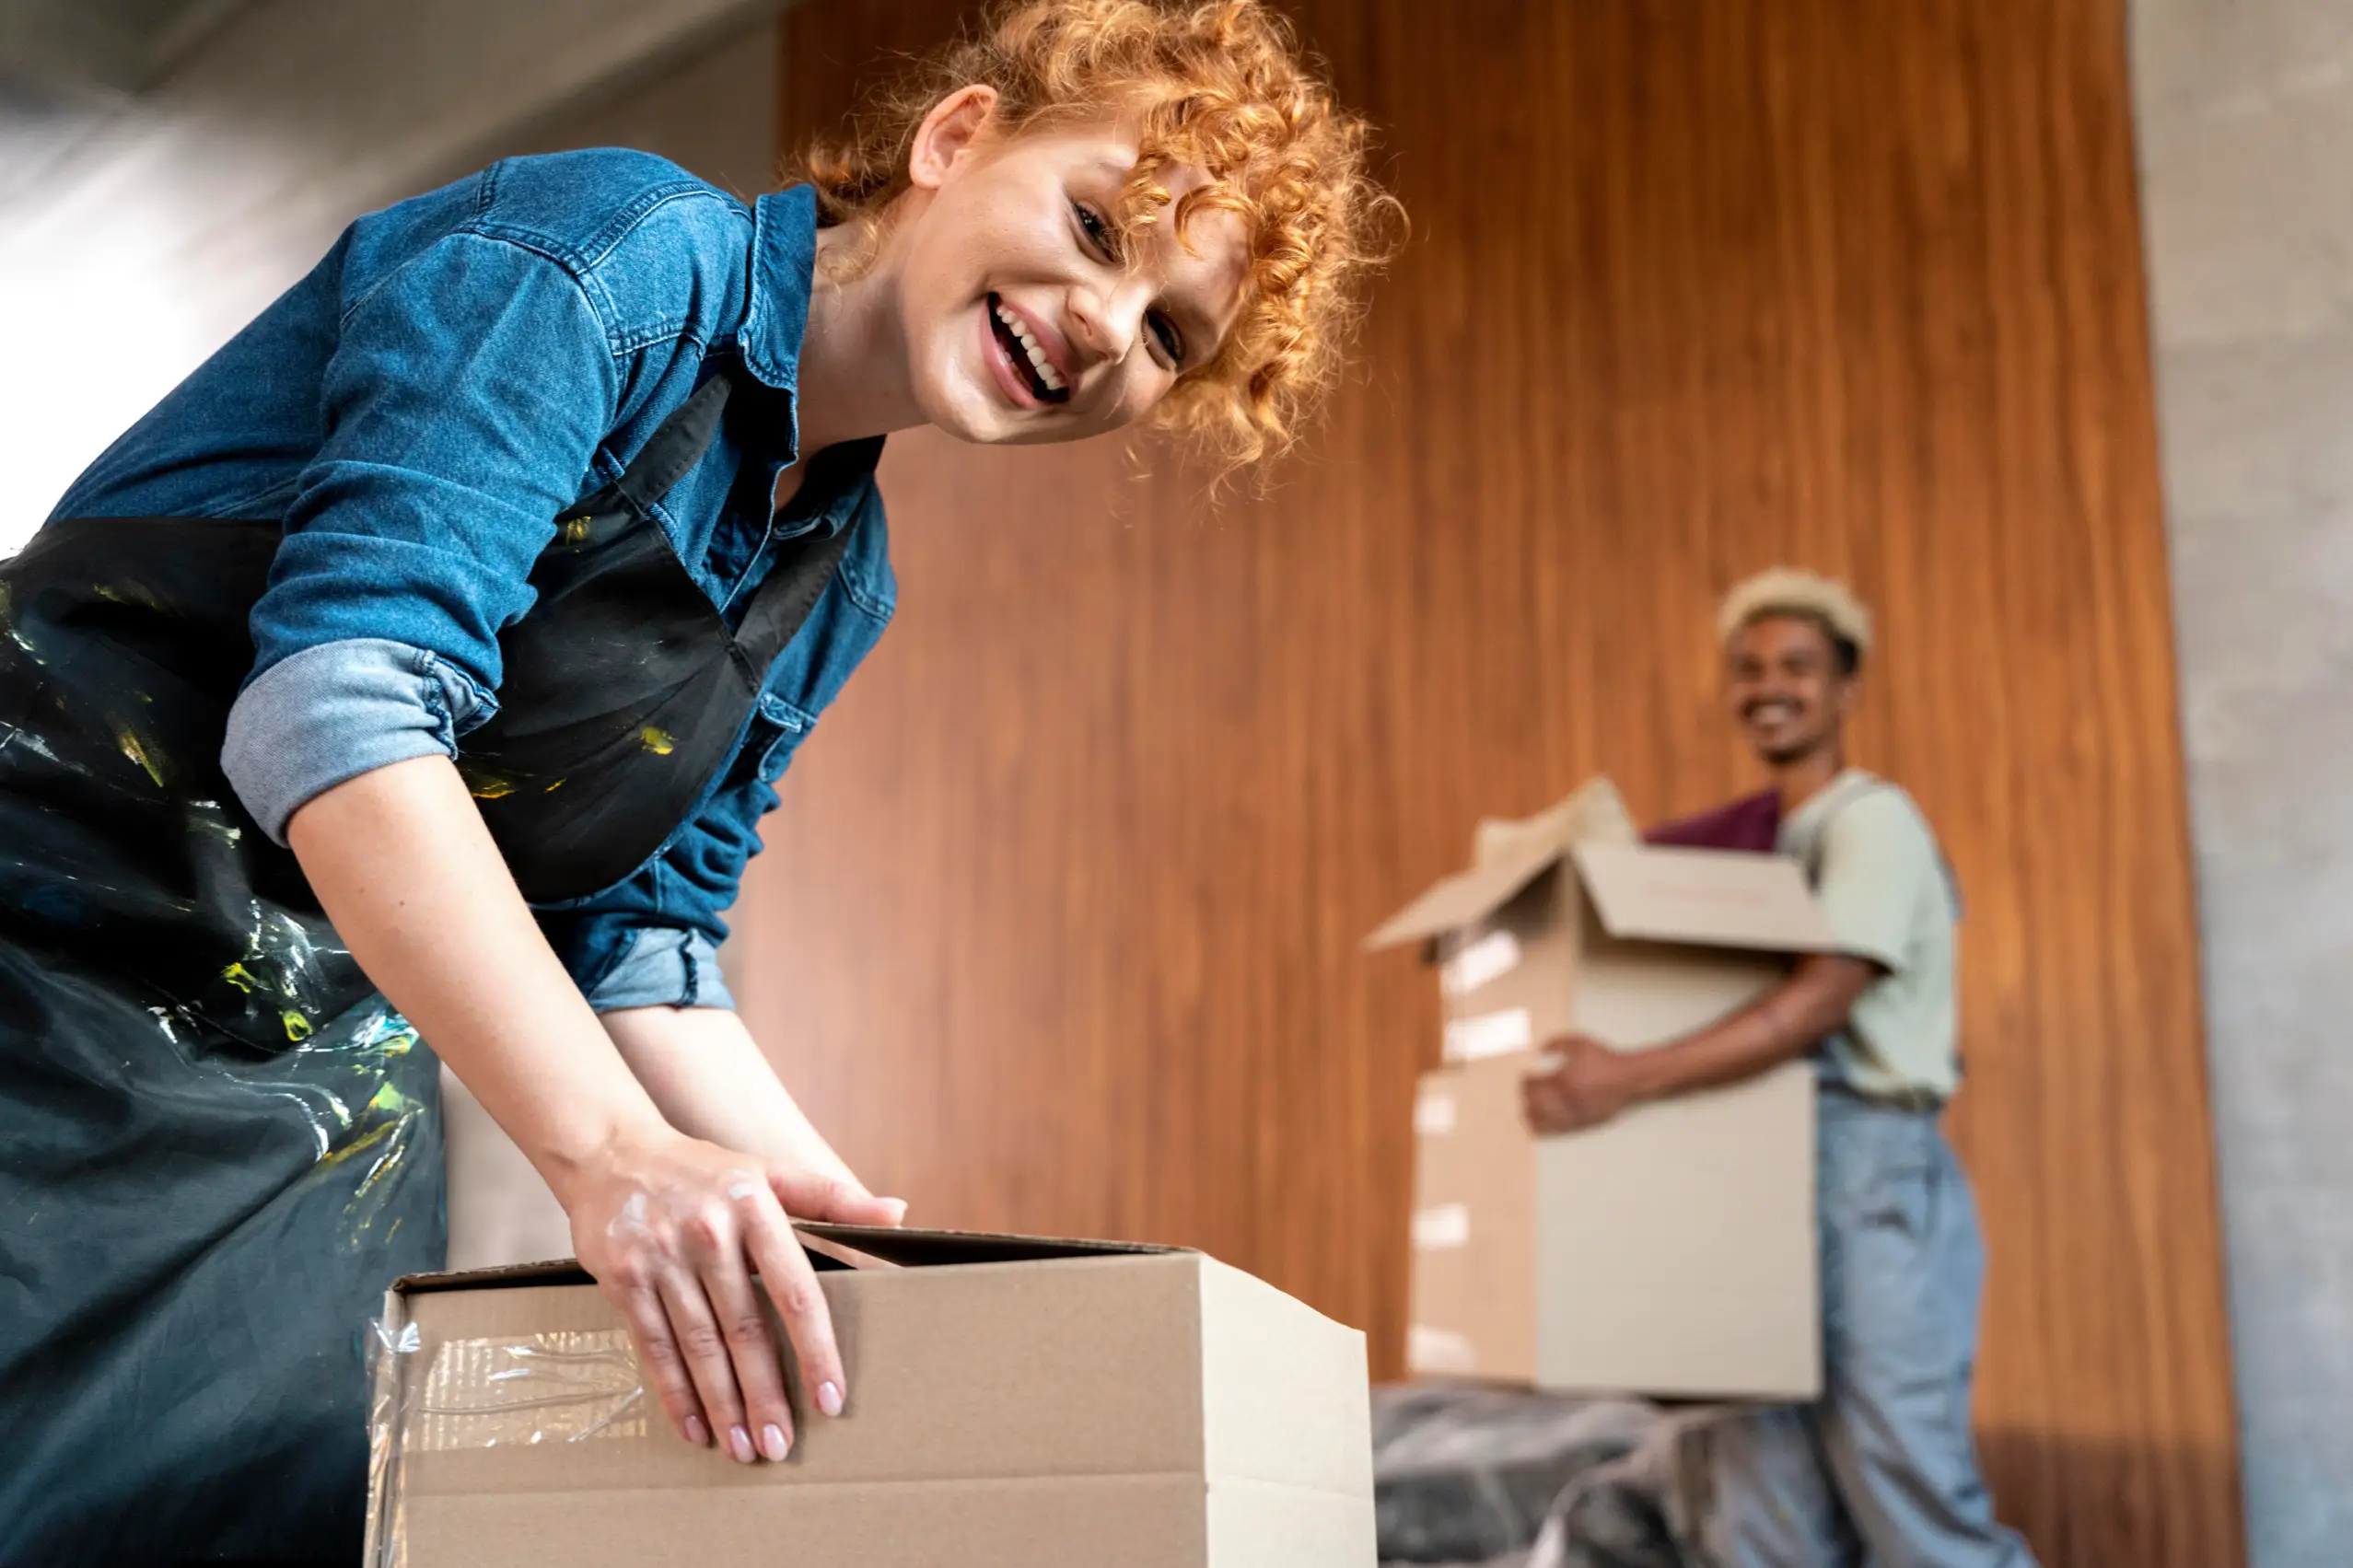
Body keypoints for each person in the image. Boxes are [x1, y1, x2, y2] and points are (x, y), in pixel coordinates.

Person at [0, 3, 1394, 1561]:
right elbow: (333, 706)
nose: (1098, 320)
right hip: (40, 947)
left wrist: (863, 1249)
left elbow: (642, 940)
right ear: (954, 140)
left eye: (1166, 337)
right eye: (1093, 226)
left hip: (301, 1086)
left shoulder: (835, 581)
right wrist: (613, 1158)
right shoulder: (609, 257)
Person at [1520, 568, 2040, 1568]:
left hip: (1861, 1173)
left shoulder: (1867, 822)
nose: (1769, 685)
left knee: (1905, 1496)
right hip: (1754, 1173)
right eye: (1748, 667)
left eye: (1797, 666)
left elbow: (1817, 997)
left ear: (1846, 689)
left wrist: (1621, 1075)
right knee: (1758, 1508)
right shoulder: (1754, 844)